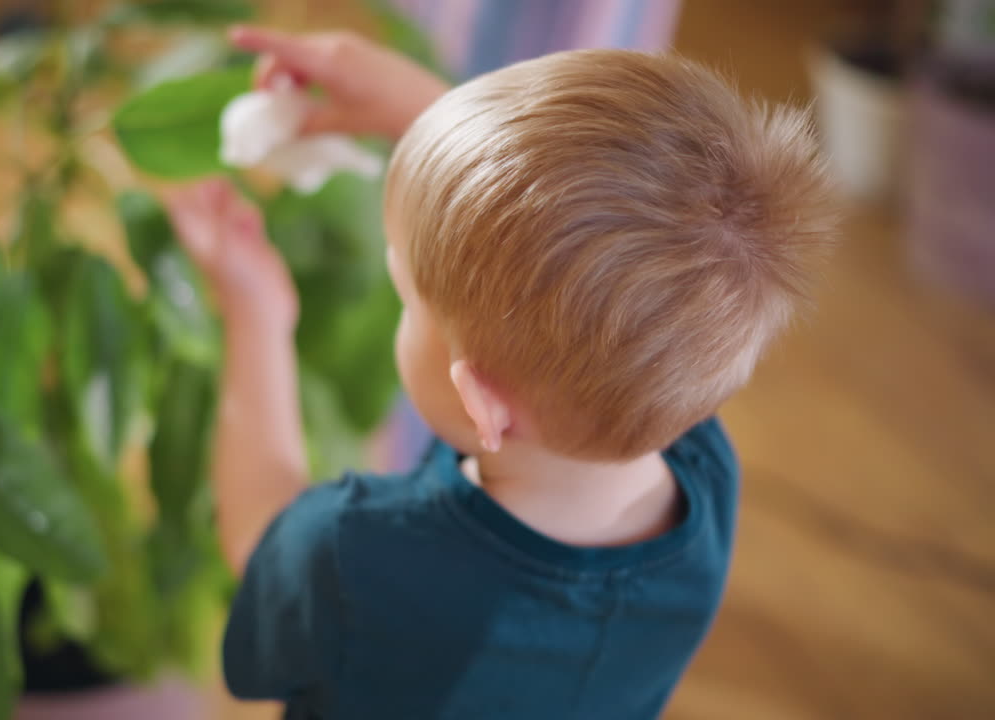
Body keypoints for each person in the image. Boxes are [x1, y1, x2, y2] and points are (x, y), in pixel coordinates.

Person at [164, 26, 837, 719]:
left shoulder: (365, 555)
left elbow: (258, 531)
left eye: (407, 298)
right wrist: (431, 120)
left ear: (483, 404)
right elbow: (578, 276)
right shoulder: (701, 454)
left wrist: (255, 315)